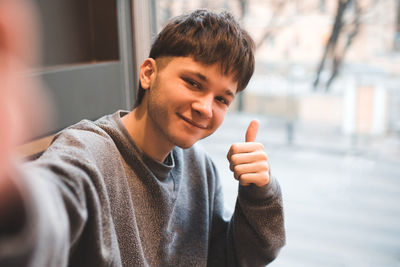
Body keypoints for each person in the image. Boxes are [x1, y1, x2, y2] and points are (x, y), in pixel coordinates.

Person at [0, 4, 285, 267]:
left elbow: (237, 258)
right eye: (193, 83)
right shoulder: (89, 154)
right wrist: (13, 200)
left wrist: (260, 193)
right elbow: (51, 210)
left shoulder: (201, 169)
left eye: (222, 99)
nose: (205, 108)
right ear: (148, 73)